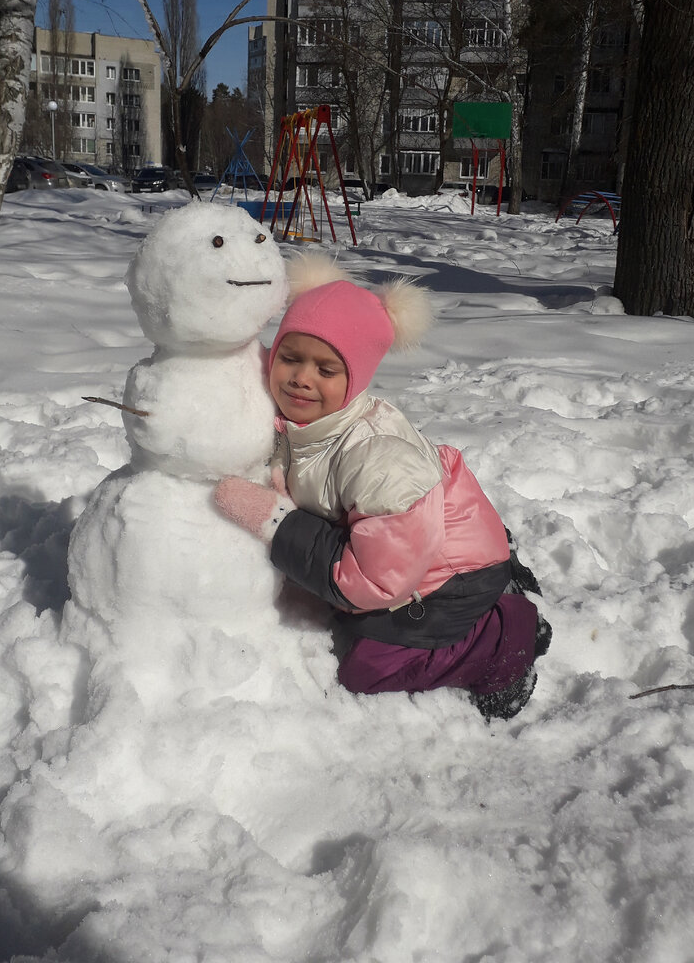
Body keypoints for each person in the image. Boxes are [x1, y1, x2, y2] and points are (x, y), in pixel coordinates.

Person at [214, 257, 551, 720]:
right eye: (290, 358)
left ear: (355, 378)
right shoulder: (307, 421)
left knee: (366, 666)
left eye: (326, 370)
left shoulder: (377, 459)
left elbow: (374, 584)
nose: (301, 378)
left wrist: (278, 522)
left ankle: (504, 635)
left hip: (450, 576)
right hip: (420, 537)